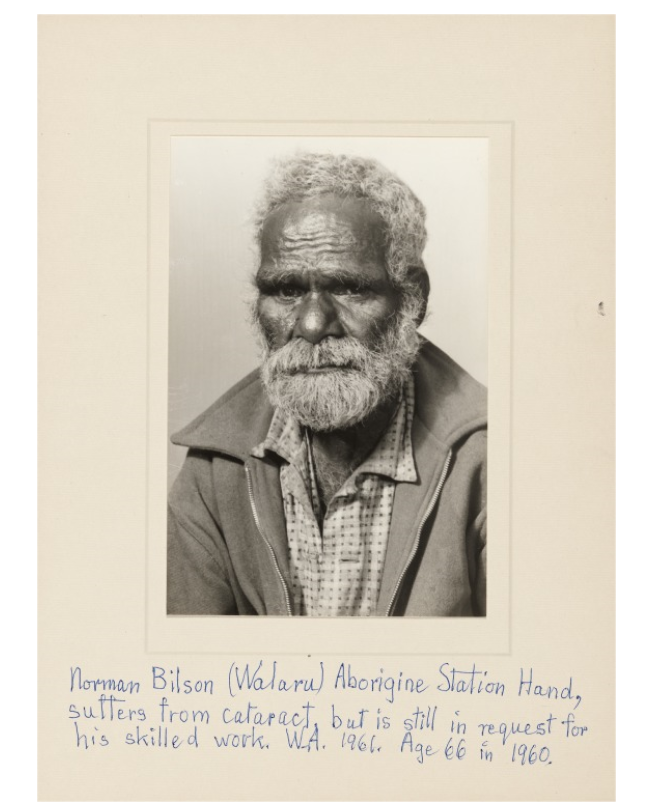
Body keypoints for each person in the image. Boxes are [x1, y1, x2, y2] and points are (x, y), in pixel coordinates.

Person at [167, 152, 487, 617]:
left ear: (412, 299)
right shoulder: (214, 470)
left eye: (349, 288)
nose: (313, 324)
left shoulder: (492, 463)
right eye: (286, 290)